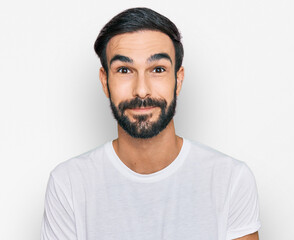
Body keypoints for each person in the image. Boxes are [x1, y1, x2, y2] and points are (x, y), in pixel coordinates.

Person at [41, 7, 261, 240]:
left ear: (178, 79)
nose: (142, 90)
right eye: (124, 70)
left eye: (158, 69)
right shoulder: (69, 183)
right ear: (105, 81)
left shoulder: (230, 179)